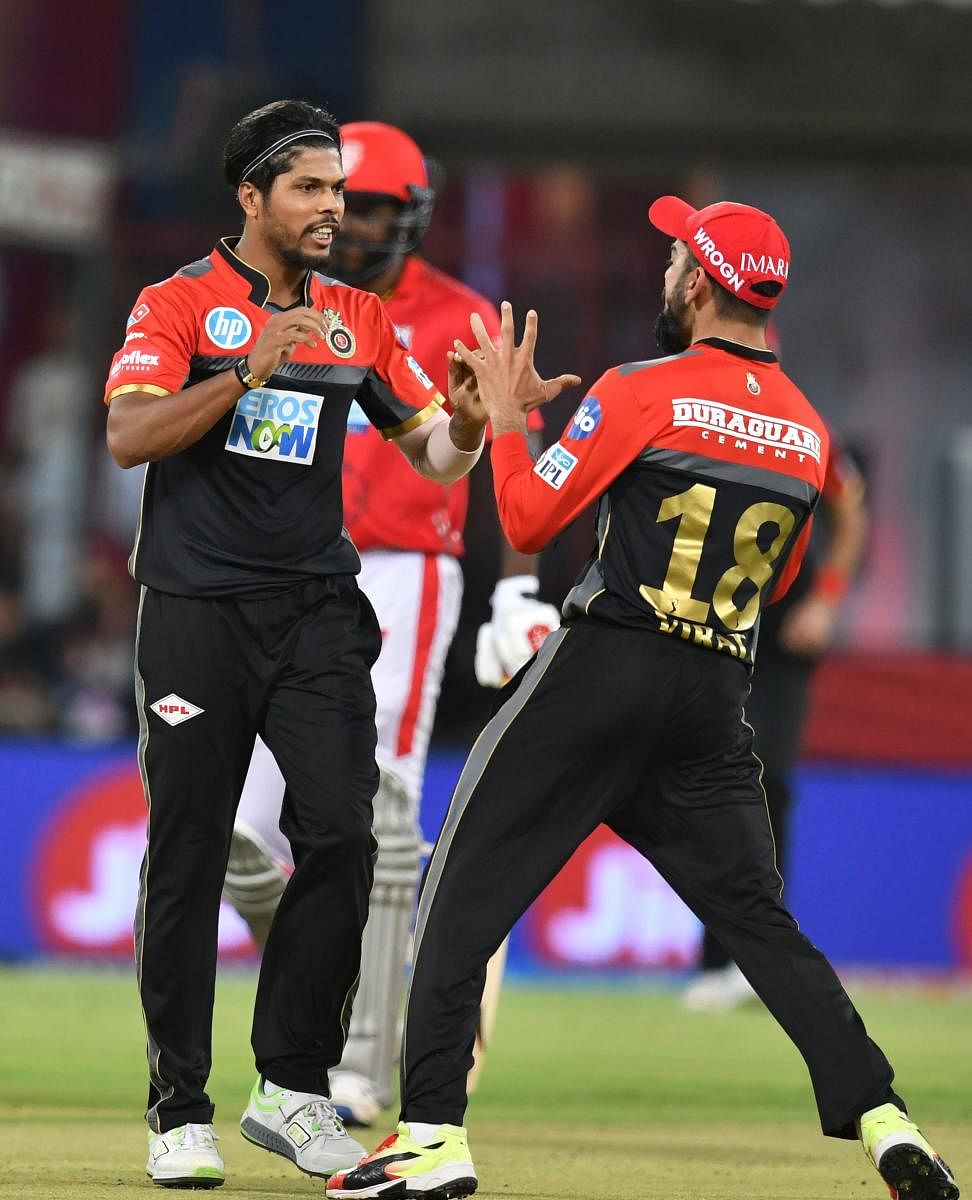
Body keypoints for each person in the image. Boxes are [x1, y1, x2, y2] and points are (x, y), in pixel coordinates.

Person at [326, 198, 960, 1200]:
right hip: (714, 694)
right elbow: (783, 581)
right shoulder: (804, 431)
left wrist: (506, 417)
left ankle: (432, 1140)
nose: (666, 269)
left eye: (675, 257)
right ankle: (888, 1123)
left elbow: (531, 512)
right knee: (762, 926)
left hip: (604, 668)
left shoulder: (642, 389)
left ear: (701, 283)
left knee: (457, 894)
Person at [103, 99, 490, 1190]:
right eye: (312, 189)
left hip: (316, 612)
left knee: (346, 839)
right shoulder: (177, 304)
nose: (334, 209)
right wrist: (242, 375)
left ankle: (292, 1088)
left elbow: (433, 457)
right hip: (194, 611)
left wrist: (466, 421)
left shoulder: (358, 321)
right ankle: (180, 1110)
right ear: (252, 196)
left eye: (339, 190)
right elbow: (129, 434)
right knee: (185, 854)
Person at [222, 121, 558, 1126]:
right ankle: (334, 977)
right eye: (341, 201)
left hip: (409, 567)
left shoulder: (458, 314)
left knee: (386, 802)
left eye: (372, 207)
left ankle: (364, 1061)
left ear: (408, 216)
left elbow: (514, 455)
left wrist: (517, 589)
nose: (354, 222)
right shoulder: (279, 304)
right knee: (236, 829)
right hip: (281, 565)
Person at [684, 432, 868, 1011]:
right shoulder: (699, 421)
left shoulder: (804, 428)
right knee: (709, 777)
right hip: (713, 615)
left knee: (770, 782)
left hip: (783, 630)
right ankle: (719, 958)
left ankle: (753, 957)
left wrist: (827, 599)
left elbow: (850, 511)